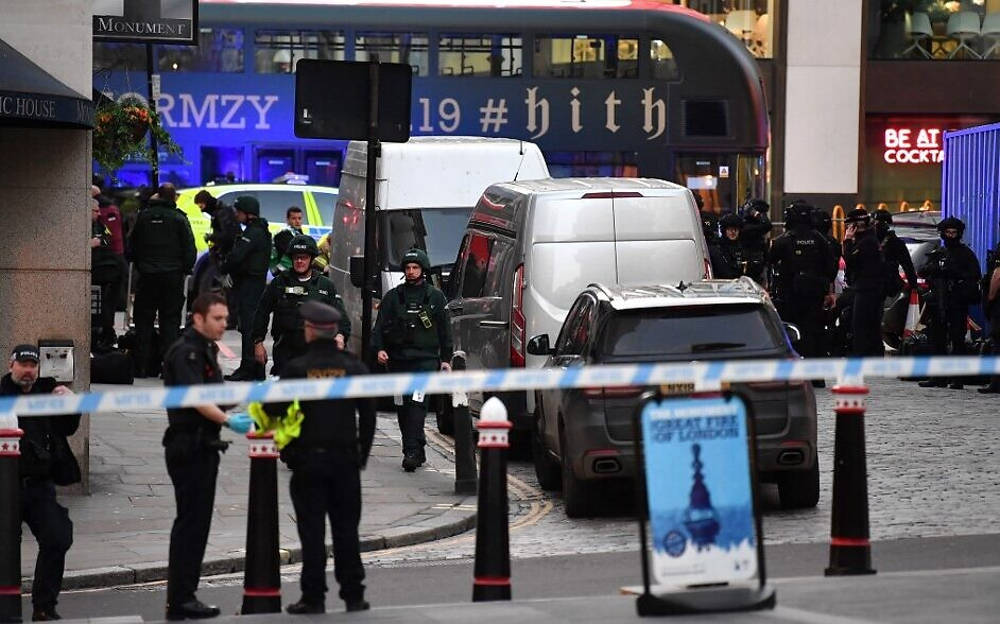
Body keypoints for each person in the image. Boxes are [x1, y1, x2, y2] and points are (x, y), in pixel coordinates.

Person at [261, 301, 375, 615]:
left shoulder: (296, 370)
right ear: (335, 331)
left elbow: (273, 411)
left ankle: (314, 597)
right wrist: (361, 456)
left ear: (310, 330)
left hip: (308, 463)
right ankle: (354, 595)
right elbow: (368, 417)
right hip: (344, 463)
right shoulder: (353, 368)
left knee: (311, 533)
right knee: (346, 531)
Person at [162, 293, 253, 620]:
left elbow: (214, 393)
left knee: (197, 525)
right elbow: (196, 397)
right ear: (198, 318)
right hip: (189, 446)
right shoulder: (186, 352)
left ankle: (185, 596)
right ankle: (180, 599)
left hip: (204, 445)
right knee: (190, 524)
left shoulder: (206, 350)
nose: (223, 324)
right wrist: (228, 420)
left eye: (226, 319)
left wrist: (241, 403)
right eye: (218, 319)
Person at [2, 344, 79, 622]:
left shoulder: (46, 393)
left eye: (33, 366)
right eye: (23, 365)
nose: (28, 371)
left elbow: (67, 428)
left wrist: (71, 403)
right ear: (11, 365)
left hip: (38, 486)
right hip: (5, 487)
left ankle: (44, 605)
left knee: (58, 536)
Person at [372, 248, 453, 471]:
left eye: (415, 268)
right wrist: (379, 349)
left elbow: (445, 331)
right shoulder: (393, 297)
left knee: (417, 405)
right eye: (407, 268)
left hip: (425, 362)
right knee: (402, 407)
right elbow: (378, 328)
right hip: (398, 361)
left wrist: (446, 359)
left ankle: (412, 451)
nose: (410, 272)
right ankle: (417, 446)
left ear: (423, 270)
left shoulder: (435, 297)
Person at [252, 234, 351, 376]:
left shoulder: (325, 285)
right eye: (296, 257)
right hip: (285, 352)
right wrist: (258, 343)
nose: (299, 261)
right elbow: (261, 312)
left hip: (316, 353)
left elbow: (342, 316)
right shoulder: (279, 283)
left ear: (311, 259)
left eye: (303, 257)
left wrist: (340, 336)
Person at [127, 184, 197, 377]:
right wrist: (185, 269)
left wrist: (140, 264)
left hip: (147, 276)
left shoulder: (144, 216)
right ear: (173, 197)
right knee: (170, 323)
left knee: (143, 321)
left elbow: (131, 246)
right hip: (172, 277)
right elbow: (189, 248)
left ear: (158, 195)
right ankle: (169, 369)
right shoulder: (179, 218)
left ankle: (141, 367)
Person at [768, 201, 836, 373]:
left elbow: (769, 261)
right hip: (815, 296)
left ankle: (794, 372)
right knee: (814, 332)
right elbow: (831, 268)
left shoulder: (783, 240)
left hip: (790, 295)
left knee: (790, 333)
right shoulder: (820, 240)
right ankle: (816, 375)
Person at [919, 217, 981, 389]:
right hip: (939, 301)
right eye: (948, 233)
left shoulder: (965, 253)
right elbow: (922, 270)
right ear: (943, 233)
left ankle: (957, 378)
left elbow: (974, 274)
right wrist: (935, 269)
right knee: (936, 339)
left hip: (957, 302)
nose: (951, 236)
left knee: (957, 340)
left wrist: (954, 273)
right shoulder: (939, 252)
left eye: (954, 233)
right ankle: (938, 377)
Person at [221, 196, 272, 381]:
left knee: (248, 326)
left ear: (248, 213)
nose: (237, 215)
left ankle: (248, 368)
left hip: (250, 285)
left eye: (239, 211)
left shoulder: (254, 233)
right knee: (248, 326)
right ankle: (251, 367)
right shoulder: (259, 230)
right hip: (253, 284)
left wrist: (223, 268)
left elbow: (237, 256)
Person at [842, 208, 886, 357]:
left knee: (860, 325)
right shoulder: (869, 239)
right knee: (871, 325)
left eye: (849, 225)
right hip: (869, 287)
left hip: (867, 289)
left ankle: (861, 356)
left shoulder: (866, 242)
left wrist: (847, 240)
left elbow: (851, 260)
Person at [91, 198, 123, 349]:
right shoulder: (80, 225)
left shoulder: (99, 224)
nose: (98, 214)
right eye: (95, 211)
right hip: (92, 269)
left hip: (102, 269)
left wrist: (99, 241)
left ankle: (106, 334)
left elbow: (108, 239)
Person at [874, 208, 918, 297]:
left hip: (889, 289)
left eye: (876, 223)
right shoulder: (869, 241)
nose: (874, 227)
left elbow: (908, 266)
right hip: (870, 288)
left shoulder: (894, 243)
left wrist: (913, 287)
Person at [737, 198, 772, 283]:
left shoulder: (756, 226)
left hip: (758, 260)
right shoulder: (745, 225)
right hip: (747, 261)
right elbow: (767, 225)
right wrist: (756, 214)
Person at [710, 213, 746, 279]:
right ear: (724, 230)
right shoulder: (717, 247)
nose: (733, 232)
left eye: (736, 229)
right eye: (730, 229)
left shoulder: (743, 247)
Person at [271, 206, 305, 277]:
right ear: (288, 220)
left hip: (292, 270)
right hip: (282, 271)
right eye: (294, 218)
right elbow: (293, 251)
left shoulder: (298, 232)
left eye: (299, 218)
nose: (297, 221)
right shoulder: (283, 234)